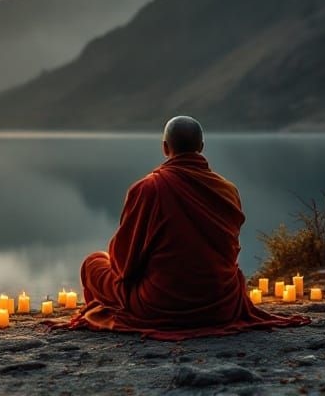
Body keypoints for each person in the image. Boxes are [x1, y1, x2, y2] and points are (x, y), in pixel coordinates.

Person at [67, 116, 309, 340]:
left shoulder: (147, 188)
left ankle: (107, 306)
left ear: (164, 148)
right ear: (201, 147)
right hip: (220, 302)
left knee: (94, 262)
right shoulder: (227, 189)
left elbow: (124, 263)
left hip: (159, 304)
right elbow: (230, 252)